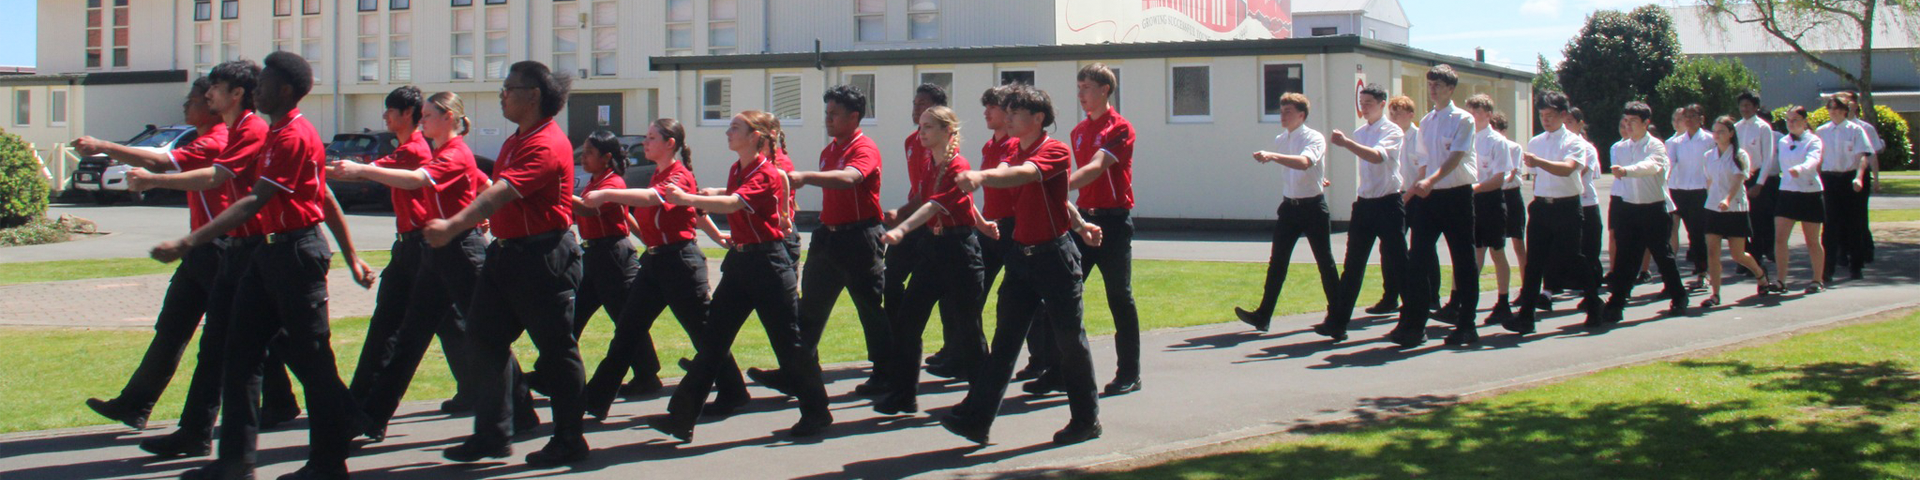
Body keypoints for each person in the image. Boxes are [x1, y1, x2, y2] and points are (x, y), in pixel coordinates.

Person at [124, 59, 368, 466]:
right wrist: (352, 256)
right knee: (238, 357)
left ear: (287, 89)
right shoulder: (273, 132)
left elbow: (252, 198)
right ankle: (232, 463)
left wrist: (189, 240)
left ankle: (329, 460)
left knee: (311, 360)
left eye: (266, 82)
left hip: (291, 252)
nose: (258, 90)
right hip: (267, 253)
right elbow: (319, 196)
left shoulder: (289, 135)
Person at [71, 76, 275, 434]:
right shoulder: (209, 136)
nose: (189, 104)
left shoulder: (218, 139)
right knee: (173, 328)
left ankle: (278, 405)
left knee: (245, 337)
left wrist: (105, 146)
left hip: (221, 248)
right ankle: (136, 404)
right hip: (200, 249)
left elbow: (161, 162)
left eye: (195, 98)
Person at [423, 61, 590, 467]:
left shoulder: (546, 141)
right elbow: (494, 186)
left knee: (557, 351)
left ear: (532, 95)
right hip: (508, 255)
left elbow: (502, 192)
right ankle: (494, 434)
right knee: (481, 338)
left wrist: (453, 224)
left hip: (542, 257)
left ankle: (570, 439)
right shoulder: (519, 139)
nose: (502, 94)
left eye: (508, 88)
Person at [649, 110, 834, 440]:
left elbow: (736, 203)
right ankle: (681, 417)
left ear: (755, 137)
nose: (727, 132)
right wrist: (711, 194)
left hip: (768, 265)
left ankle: (817, 412)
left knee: (788, 343)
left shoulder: (766, 171)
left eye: (735, 128)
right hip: (742, 263)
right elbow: (736, 197)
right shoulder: (739, 169)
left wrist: (688, 198)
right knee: (713, 340)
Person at [326, 87, 496, 440]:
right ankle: (369, 413)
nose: (386, 118)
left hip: (434, 247)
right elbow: (482, 183)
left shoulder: (421, 152)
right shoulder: (431, 150)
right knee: (435, 329)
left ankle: (508, 410)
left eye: (391, 111)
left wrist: (359, 169)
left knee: (462, 332)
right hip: (424, 248)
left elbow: (431, 179)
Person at [943, 84, 1106, 446]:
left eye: (1016, 113)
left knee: (1069, 340)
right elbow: (1053, 195)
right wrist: (1082, 224)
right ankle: (977, 419)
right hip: (1022, 257)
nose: (1010, 118)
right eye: (1009, 111)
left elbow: (1027, 176)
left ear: (1038, 118)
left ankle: (1086, 420)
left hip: (1054, 258)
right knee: (1005, 341)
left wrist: (982, 177)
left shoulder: (1054, 151)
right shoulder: (1013, 148)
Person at [580, 118, 748, 419]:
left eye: (651, 137)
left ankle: (733, 391)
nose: (645, 142)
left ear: (670, 143)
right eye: (646, 137)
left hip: (680, 264)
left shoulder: (677, 175)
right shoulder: (661, 174)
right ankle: (594, 399)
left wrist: (607, 194)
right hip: (656, 263)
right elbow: (692, 214)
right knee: (627, 331)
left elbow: (654, 199)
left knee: (704, 333)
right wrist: (716, 234)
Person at [774, 85, 896, 397]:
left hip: (860, 237)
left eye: (834, 114)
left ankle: (886, 373)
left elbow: (852, 177)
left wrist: (808, 177)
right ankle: (796, 371)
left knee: (869, 306)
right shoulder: (829, 151)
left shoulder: (864, 148)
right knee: (809, 309)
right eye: (826, 114)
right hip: (828, 235)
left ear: (854, 117)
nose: (828, 120)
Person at [875, 105, 994, 414]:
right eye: (921, 126)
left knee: (967, 328)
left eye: (928, 127)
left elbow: (934, 205)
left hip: (960, 252)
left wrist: (901, 228)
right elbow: (943, 199)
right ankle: (903, 396)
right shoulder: (931, 164)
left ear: (947, 131)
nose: (921, 132)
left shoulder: (958, 165)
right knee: (908, 322)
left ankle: (981, 402)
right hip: (934, 249)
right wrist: (982, 222)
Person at [1059, 63, 1145, 396]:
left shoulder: (1120, 128)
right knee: (1062, 291)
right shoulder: (1078, 131)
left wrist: (1056, 187)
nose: (1080, 94)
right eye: (1078, 87)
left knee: (1119, 297)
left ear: (1105, 90)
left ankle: (1130, 372)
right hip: (1083, 219)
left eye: (1087, 88)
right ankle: (1055, 368)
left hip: (1113, 221)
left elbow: (1096, 168)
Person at [548, 131, 652, 397]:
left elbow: (587, 209)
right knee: (573, 316)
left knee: (625, 318)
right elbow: (625, 216)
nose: (584, 156)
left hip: (612, 256)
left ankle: (647, 375)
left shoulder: (612, 183)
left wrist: (555, 191)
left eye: (590, 152)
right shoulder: (597, 180)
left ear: (606, 157)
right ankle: (551, 370)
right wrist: (647, 239)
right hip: (595, 256)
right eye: (583, 150)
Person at [1233, 91, 1340, 337]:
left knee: (1325, 262)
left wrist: (1272, 156)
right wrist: (1318, 178)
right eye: (1281, 111)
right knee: (1277, 263)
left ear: (1301, 115)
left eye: (1288, 111)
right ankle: (1263, 315)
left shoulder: (1314, 137)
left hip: (1313, 208)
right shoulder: (1282, 138)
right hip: (1290, 208)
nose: (1282, 115)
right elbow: (1299, 170)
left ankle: (1337, 316)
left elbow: (1305, 162)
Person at [1393, 65, 1480, 347]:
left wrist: (1430, 180)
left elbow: (1455, 156)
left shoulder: (1463, 119)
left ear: (1451, 89)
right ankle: (1415, 324)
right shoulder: (1428, 121)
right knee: (1417, 260)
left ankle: (1467, 324)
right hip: (1430, 198)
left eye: (1439, 85)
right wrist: (1408, 195)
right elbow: (1423, 163)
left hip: (1456, 196)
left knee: (1463, 261)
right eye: (1430, 84)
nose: (1433, 89)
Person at [1510, 91, 1604, 333]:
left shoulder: (1575, 143)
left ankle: (1594, 304)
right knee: (1535, 262)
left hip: (1568, 206)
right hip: (1542, 206)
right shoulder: (1537, 141)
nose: (1546, 120)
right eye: (1542, 115)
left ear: (1563, 115)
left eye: (1550, 115)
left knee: (1573, 258)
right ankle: (1526, 316)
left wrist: (1539, 162)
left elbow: (1568, 169)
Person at [1318, 84, 1405, 341]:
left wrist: (1347, 144)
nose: (1364, 107)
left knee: (1400, 263)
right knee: (1353, 265)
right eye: (1362, 102)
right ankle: (1337, 321)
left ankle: (1413, 320)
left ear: (1381, 104)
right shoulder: (1360, 132)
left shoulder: (1392, 131)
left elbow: (1378, 157)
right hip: (1365, 203)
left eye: (1369, 103)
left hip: (1389, 203)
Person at [1602, 102, 1690, 324]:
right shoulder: (1620, 148)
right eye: (1626, 121)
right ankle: (1617, 303)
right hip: (1629, 208)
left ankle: (1679, 295)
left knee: (1663, 255)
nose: (1628, 126)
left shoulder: (1656, 146)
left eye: (1633, 122)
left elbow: (1651, 166)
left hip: (1654, 208)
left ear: (1646, 123)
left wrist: (1627, 171)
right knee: (1625, 258)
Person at [1701, 115, 1772, 306]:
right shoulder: (1709, 156)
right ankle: (1715, 294)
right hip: (1713, 208)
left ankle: (1759, 273)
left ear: (1731, 134)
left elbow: (1738, 181)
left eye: (1722, 131)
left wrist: (1727, 199)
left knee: (1737, 254)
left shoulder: (1740, 155)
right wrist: (1713, 199)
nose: (1717, 135)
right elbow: (1709, 181)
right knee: (1712, 251)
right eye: (1715, 131)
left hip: (1735, 208)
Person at [1464, 94, 1514, 326]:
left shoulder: (1497, 141)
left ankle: (1503, 301)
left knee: (1497, 251)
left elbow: (1498, 178)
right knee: (1475, 252)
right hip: (1471, 201)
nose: (1472, 114)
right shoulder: (1466, 137)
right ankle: (1465, 303)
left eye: (1477, 110)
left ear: (1488, 115)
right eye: (1470, 109)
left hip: (1491, 201)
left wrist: (1473, 189)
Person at [1815, 92, 1876, 283]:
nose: (1834, 112)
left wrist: (1859, 178)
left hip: (1849, 179)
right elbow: (1817, 159)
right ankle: (1827, 269)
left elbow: (1863, 156)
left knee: (1854, 224)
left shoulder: (1856, 130)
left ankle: (1855, 266)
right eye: (1831, 108)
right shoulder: (1822, 131)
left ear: (1844, 111)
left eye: (1837, 109)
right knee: (1830, 225)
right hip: (1829, 180)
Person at [1770, 106, 1828, 294]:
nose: (1791, 123)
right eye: (1788, 120)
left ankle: (1817, 280)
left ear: (1804, 121)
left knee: (1812, 240)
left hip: (1809, 192)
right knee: (1779, 238)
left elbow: (1813, 160)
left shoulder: (1814, 140)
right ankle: (1780, 280)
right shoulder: (1783, 141)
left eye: (1795, 120)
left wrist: (1800, 169)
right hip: (1787, 192)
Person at [1666, 105, 1714, 290]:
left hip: (1699, 191)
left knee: (1697, 233)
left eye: (1693, 116)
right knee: (1671, 230)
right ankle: (1671, 273)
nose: (1689, 120)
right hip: (1678, 190)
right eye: (1686, 116)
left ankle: (1703, 271)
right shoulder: (1676, 142)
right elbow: (1670, 163)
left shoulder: (1709, 139)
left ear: (1701, 118)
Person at [1734, 91, 1780, 272]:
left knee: (1759, 220)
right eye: (1742, 105)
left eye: (1748, 105)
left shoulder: (1763, 127)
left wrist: (1760, 183)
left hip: (1758, 177)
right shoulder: (1736, 127)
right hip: (1740, 176)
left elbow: (1767, 157)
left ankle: (1757, 258)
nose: (1744, 109)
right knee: (1741, 219)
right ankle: (1743, 259)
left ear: (1755, 107)